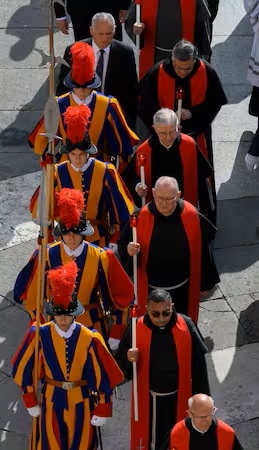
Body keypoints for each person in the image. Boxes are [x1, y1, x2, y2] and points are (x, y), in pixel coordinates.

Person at [11, 261, 124, 450]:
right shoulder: (38, 334)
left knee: (82, 444)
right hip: (51, 401)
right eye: (58, 314)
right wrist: (29, 397)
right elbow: (25, 367)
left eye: (67, 314)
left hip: (82, 400)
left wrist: (104, 405)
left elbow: (103, 373)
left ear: (74, 314)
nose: (62, 318)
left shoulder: (90, 338)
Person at [16, 188, 133, 345]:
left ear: (84, 232)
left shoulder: (102, 256)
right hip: (56, 327)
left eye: (76, 232)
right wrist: (38, 324)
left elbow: (121, 297)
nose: (71, 237)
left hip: (93, 327)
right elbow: (31, 297)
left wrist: (117, 330)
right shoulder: (44, 255)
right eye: (66, 232)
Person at [115, 289, 210, 450]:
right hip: (151, 400)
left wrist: (203, 401)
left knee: (179, 439)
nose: (161, 318)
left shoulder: (186, 325)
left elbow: (199, 366)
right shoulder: (137, 328)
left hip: (179, 396)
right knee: (153, 441)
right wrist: (129, 358)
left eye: (166, 313)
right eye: (155, 314)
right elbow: (121, 362)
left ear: (172, 307)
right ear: (147, 309)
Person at [30, 105, 135, 248]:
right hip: (67, 238)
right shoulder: (56, 173)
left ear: (88, 153)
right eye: (73, 154)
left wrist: (115, 238)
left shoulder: (105, 171)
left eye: (81, 154)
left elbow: (118, 207)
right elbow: (44, 208)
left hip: (98, 238)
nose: (77, 159)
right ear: (67, 154)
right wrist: (47, 236)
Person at [121, 176, 220, 322]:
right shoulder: (140, 217)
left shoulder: (191, 215)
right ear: (153, 193)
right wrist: (129, 251)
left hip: (183, 288)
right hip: (151, 289)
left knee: (182, 326)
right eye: (160, 198)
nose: (164, 204)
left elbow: (203, 249)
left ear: (178, 195)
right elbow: (123, 246)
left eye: (169, 199)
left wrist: (206, 282)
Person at [29, 42, 138, 166]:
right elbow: (43, 140)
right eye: (77, 87)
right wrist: (46, 157)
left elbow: (121, 143)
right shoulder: (59, 104)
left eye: (86, 87)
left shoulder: (107, 104)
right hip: (66, 164)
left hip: (98, 165)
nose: (81, 91)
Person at [138, 40, 228, 168]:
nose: (182, 72)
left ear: (195, 61)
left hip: (196, 131)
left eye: (188, 68)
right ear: (173, 60)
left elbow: (214, 103)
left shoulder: (206, 71)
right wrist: (166, 123)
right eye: (178, 67)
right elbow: (145, 106)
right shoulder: (157, 72)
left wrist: (193, 113)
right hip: (163, 135)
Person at [123, 108, 215, 223]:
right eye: (163, 133)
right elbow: (128, 176)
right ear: (155, 129)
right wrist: (138, 186)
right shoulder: (144, 151)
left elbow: (202, 177)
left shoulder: (189, 145)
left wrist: (205, 210)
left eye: (172, 132)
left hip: (184, 206)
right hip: (156, 209)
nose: (168, 137)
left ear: (178, 127)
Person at [57, 12, 139, 126]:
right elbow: (63, 86)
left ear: (115, 30)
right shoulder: (75, 51)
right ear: (91, 31)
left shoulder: (125, 53)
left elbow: (131, 91)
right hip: (82, 116)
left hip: (112, 117)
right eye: (100, 34)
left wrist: (128, 121)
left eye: (109, 33)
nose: (105, 38)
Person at [124, 0, 214, 78]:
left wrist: (205, 55)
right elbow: (133, 21)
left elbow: (203, 28)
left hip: (184, 59)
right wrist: (136, 30)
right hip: (155, 57)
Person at [161, 394, 244, 450]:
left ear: (213, 410)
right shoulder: (176, 434)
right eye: (200, 417)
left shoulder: (227, 433)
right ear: (190, 414)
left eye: (208, 415)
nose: (205, 421)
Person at [54, 0, 126, 41]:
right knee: (83, 50)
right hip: (81, 10)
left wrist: (125, 5)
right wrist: (60, 15)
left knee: (113, 50)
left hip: (111, 7)